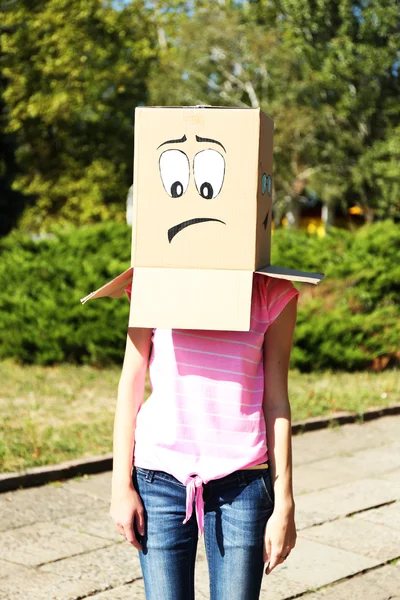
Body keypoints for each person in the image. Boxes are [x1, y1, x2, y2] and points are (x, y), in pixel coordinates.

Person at [110, 274, 298, 600]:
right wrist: (120, 487)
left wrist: (285, 504)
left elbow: (277, 401)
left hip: (243, 483)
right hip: (160, 479)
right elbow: (131, 385)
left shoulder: (271, 293)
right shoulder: (154, 284)